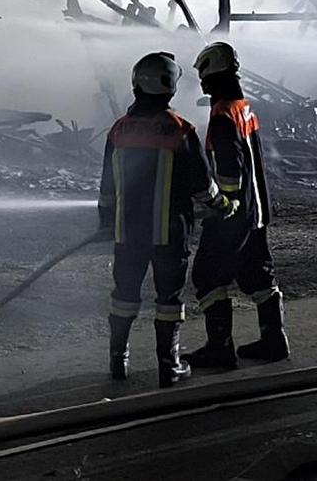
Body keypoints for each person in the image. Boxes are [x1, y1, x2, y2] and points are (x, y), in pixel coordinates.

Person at [98, 51, 235, 385]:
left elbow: (107, 188)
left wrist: (106, 221)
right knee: (169, 300)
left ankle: (119, 361)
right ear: (170, 87)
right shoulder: (180, 130)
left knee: (124, 294)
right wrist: (223, 205)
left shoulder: (119, 130)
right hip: (169, 235)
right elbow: (203, 186)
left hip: (126, 234)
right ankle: (168, 365)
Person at [185, 40, 287, 369]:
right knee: (257, 273)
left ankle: (220, 349)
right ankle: (275, 341)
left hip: (235, 213)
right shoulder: (244, 107)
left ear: (211, 75)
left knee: (207, 275)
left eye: (204, 76)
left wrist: (220, 206)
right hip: (257, 211)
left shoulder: (222, 114)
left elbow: (231, 168)